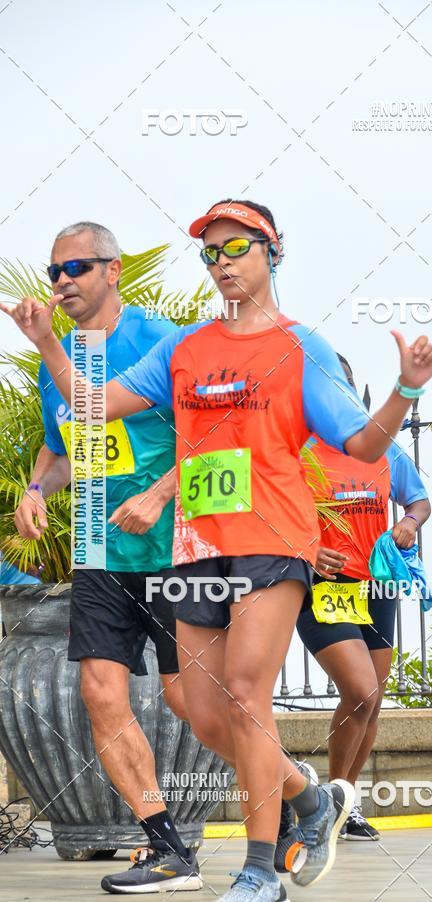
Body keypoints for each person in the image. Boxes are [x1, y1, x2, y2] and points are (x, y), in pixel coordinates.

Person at [1, 200, 432, 901]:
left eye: (237, 246)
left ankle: (256, 870)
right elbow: (87, 409)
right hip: (197, 548)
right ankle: (310, 797)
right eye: (211, 252)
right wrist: (48, 343)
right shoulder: (184, 351)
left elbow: (363, 445)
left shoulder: (298, 347)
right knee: (205, 710)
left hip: (273, 541)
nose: (222, 262)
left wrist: (405, 389)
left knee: (246, 696)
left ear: (272, 252)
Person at [9, 223, 201, 894]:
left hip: (177, 547)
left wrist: (157, 492)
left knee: (192, 701)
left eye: (78, 267)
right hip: (97, 545)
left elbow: (211, 437)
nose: (62, 280)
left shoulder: (162, 340)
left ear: (114, 270)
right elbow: (62, 445)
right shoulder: (57, 356)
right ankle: (165, 844)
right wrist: (36, 490)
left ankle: (302, 799)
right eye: (55, 269)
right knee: (100, 692)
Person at [277, 355, 430, 862]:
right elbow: (271, 516)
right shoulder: (299, 452)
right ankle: (326, 803)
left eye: (338, 381)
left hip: (378, 585)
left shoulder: (382, 450)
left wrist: (410, 521)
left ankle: (340, 803)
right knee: (360, 691)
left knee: (372, 703)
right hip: (323, 587)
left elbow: (419, 499)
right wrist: (309, 550)